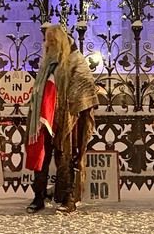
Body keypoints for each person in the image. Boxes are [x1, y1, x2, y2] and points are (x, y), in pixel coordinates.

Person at [25, 24, 99, 213]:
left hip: (67, 115)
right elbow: (40, 87)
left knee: (65, 156)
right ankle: (38, 197)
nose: (49, 44)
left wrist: (67, 101)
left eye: (53, 41)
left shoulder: (75, 59)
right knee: (42, 156)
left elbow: (85, 85)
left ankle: (68, 198)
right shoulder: (48, 61)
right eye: (47, 41)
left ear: (62, 41)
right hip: (45, 118)